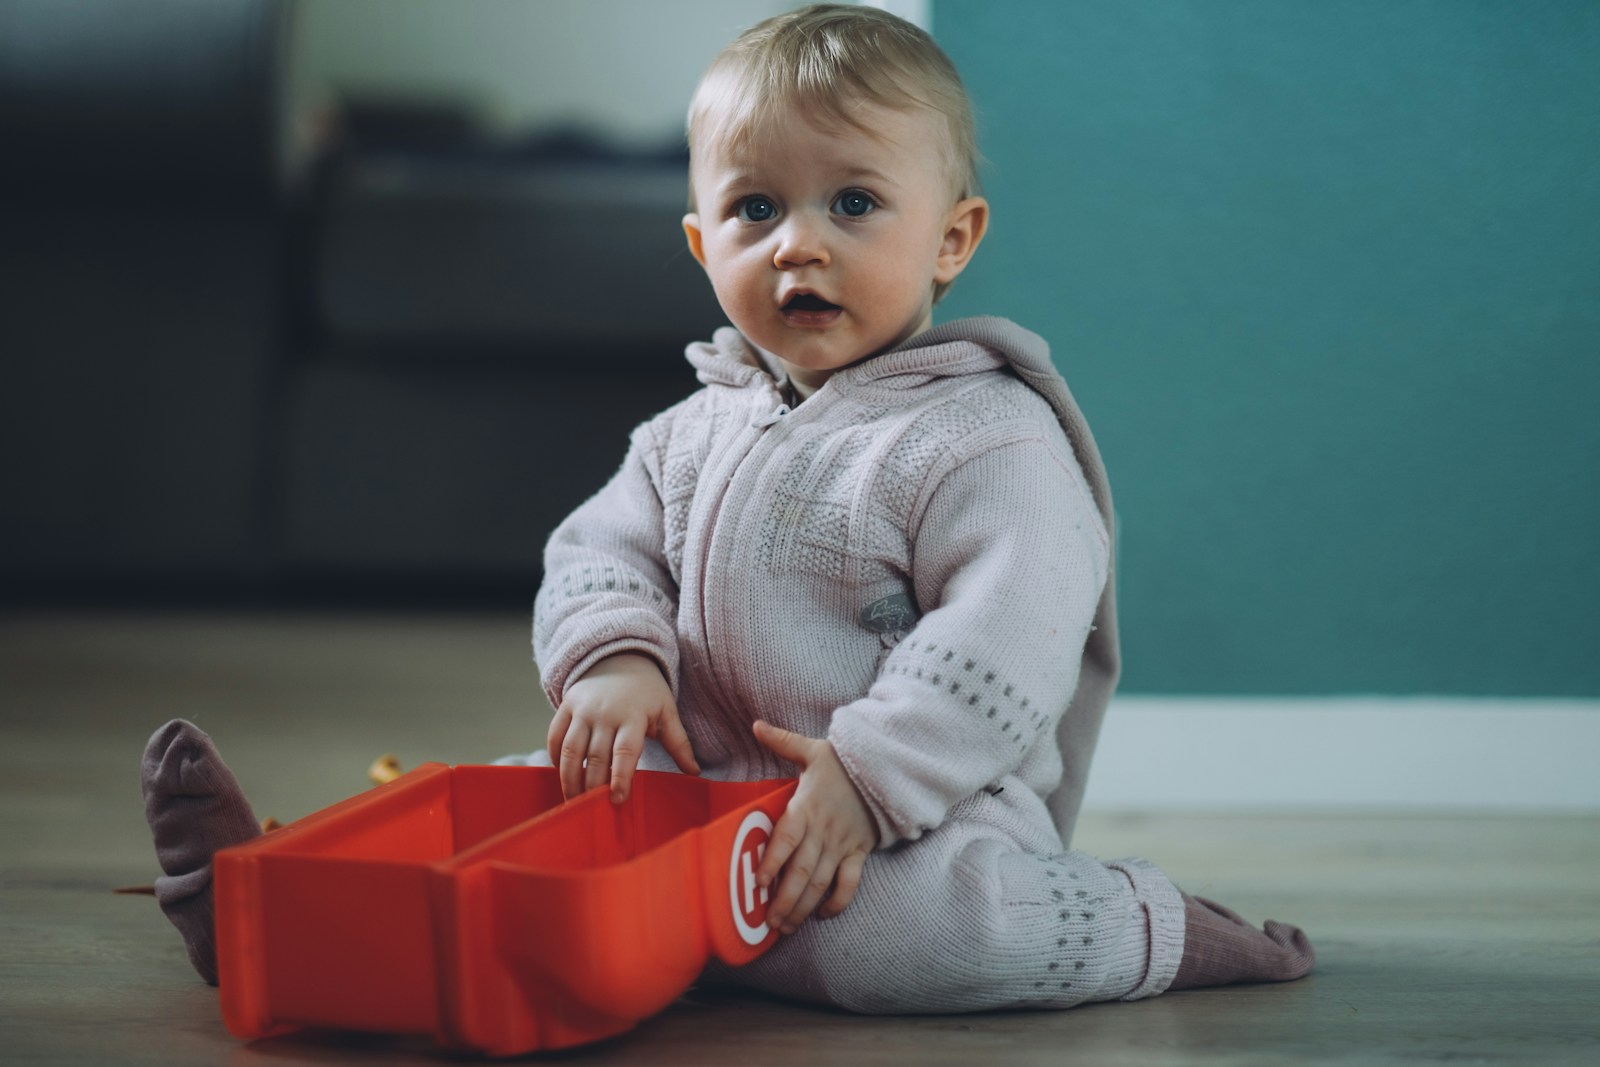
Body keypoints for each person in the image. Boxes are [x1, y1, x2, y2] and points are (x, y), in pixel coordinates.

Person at [142, 3, 1312, 1012]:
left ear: (951, 238)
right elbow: (598, 551)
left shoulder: (985, 436)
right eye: (757, 209)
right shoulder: (689, 430)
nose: (800, 241)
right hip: (683, 794)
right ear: (705, 244)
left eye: (854, 202)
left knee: (900, 942)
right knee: (501, 810)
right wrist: (612, 662)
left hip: (899, 823)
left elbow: (1010, 632)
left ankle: (1148, 926)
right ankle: (269, 907)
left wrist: (868, 776)